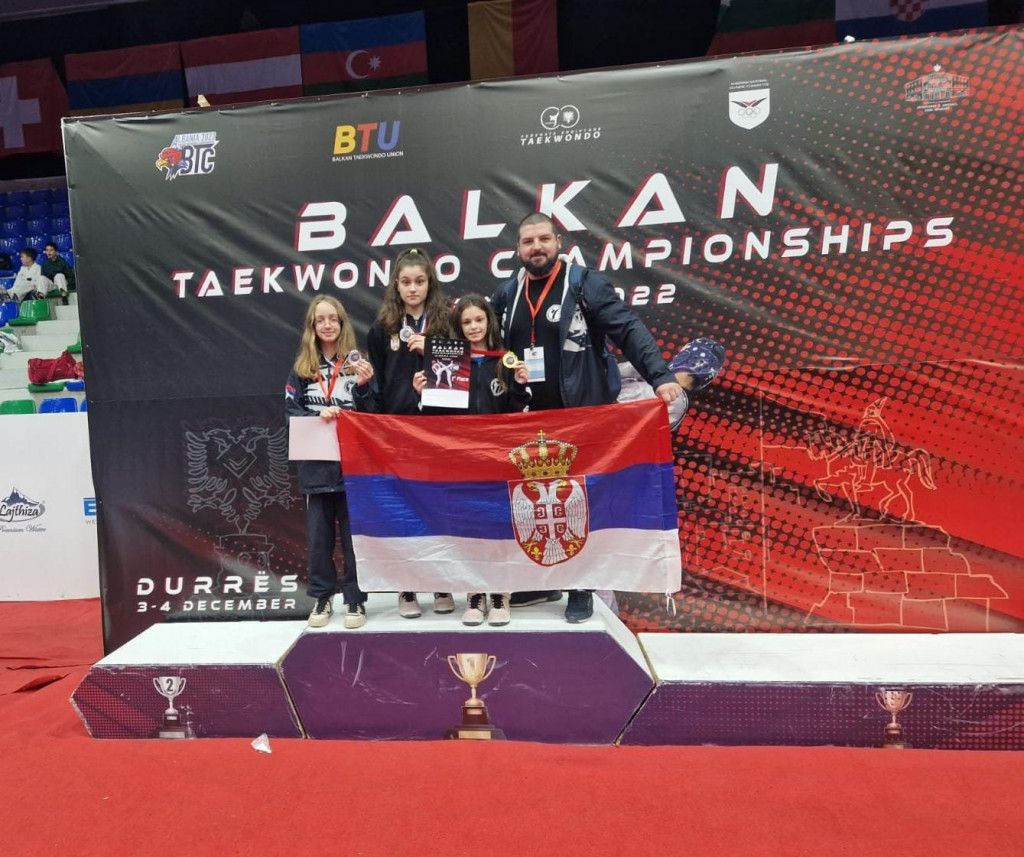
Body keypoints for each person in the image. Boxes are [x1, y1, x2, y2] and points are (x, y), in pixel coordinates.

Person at [491, 212, 684, 623]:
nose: (536, 247)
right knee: (534, 502)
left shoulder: (583, 284)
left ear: (558, 242)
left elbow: (627, 328)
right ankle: (539, 582)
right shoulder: (508, 294)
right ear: (518, 248)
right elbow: (486, 346)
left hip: (581, 416)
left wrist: (660, 375)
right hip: (527, 418)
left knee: (577, 500)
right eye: (528, 241)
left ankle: (581, 585)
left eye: (543, 239)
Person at [412, 294, 531, 627]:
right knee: (469, 528)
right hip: (462, 460)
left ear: (489, 321)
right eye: (466, 322)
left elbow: (515, 413)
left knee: (498, 527)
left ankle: (500, 594)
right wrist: (424, 394)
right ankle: (475, 595)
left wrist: (520, 386)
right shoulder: (449, 362)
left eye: (479, 320)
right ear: (458, 327)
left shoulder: (504, 360)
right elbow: (438, 418)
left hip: (497, 460)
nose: (474, 327)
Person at [357, 247, 455, 619]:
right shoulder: (382, 328)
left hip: (438, 428)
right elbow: (379, 384)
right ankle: (407, 586)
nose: (413, 288)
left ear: (430, 284)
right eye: (406, 282)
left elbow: (462, 374)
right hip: (398, 430)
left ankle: (443, 583)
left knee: (437, 506)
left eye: (419, 281)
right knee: (403, 510)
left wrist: (432, 349)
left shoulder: (446, 323)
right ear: (396, 286)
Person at [286, 295, 375, 629]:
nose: (327, 325)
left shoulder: (357, 363)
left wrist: (364, 387)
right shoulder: (301, 370)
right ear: (312, 326)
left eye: (333, 319)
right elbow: (290, 413)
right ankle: (323, 598)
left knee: (354, 539)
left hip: (352, 467)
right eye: (320, 319)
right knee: (319, 540)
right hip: (316, 468)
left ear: (342, 323)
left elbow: (375, 413)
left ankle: (354, 599)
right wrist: (317, 414)